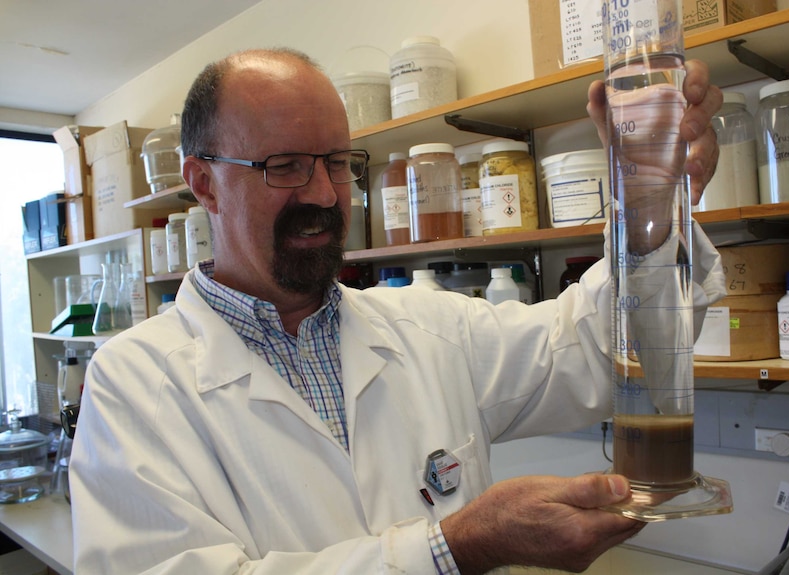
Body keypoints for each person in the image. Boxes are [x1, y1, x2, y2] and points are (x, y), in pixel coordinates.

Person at [70, 47, 724, 574]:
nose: (326, 193)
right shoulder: (133, 383)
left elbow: (600, 350)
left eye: (336, 161)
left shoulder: (429, 325)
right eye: (287, 166)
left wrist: (649, 209)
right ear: (204, 180)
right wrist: (456, 545)